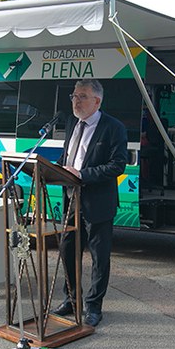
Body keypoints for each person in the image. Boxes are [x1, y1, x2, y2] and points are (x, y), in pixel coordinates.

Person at [51, 79, 128, 328]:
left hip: (98, 202)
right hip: (71, 200)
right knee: (67, 250)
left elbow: (117, 165)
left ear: (97, 100)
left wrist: (82, 174)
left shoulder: (113, 128)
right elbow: (69, 156)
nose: (76, 100)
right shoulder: (72, 122)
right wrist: (56, 168)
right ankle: (72, 300)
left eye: (82, 96)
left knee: (99, 257)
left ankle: (94, 306)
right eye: (74, 95)